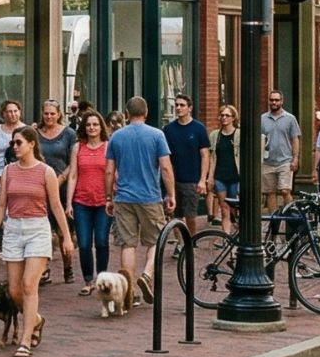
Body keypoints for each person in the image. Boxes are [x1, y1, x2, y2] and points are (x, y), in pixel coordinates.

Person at [0, 126, 74, 357]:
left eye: (18, 143)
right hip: (14, 228)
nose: (14, 147)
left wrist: (66, 237)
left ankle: (25, 340)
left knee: (28, 285)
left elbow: (55, 206)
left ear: (31, 144)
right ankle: (36, 319)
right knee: (14, 290)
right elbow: (2, 204)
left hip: (37, 229)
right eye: (13, 143)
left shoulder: (46, 172)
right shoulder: (8, 171)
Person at [106, 96, 176, 308]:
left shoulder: (116, 137)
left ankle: (130, 293)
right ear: (146, 113)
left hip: (124, 197)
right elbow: (165, 167)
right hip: (149, 196)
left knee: (127, 244)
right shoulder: (157, 135)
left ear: (127, 114)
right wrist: (171, 193)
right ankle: (146, 274)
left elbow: (109, 170)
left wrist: (108, 196)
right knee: (155, 241)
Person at [62, 110, 111, 294]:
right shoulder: (78, 148)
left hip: (102, 201)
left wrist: (111, 198)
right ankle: (89, 280)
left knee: (101, 241)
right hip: (81, 201)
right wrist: (68, 203)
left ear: (101, 127)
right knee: (83, 243)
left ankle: (102, 278)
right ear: (84, 127)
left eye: (95, 125)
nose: (92, 128)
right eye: (89, 125)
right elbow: (73, 175)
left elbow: (113, 174)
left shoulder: (108, 147)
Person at [35, 101, 76, 284]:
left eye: (52, 114)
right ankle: (43, 270)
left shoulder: (68, 134)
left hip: (62, 186)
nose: (49, 117)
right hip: (39, 187)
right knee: (43, 230)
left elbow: (73, 162)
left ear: (59, 114)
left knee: (62, 231)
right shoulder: (35, 133)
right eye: (46, 114)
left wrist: (61, 179)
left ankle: (68, 267)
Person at [161, 95, 212, 238]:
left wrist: (203, 179)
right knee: (174, 214)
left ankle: (192, 240)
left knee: (191, 215)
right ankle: (179, 243)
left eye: (182, 105)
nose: (178, 108)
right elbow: (165, 157)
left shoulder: (198, 129)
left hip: (192, 180)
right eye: (177, 105)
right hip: (173, 178)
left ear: (190, 108)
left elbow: (205, 155)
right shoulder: (168, 130)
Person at [260, 91, 301, 214]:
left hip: (285, 160)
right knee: (270, 192)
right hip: (267, 161)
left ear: (282, 101)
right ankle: (274, 222)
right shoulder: (262, 119)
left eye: (277, 100)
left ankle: (290, 216)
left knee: (285, 190)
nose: (274, 102)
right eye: (272, 100)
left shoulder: (290, 118)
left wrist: (295, 158)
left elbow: (295, 139)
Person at [211, 104, 240, 229]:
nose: (224, 118)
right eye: (222, 115)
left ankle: (238, 229)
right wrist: (210, 177)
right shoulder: (215, 135)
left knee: (234, 207)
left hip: (235, 175)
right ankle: (226, 237)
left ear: (233, 118)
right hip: (220, 176)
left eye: (227, 115)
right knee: (224, 208)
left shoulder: (239, 134)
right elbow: (213, 157)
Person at [0, 99, 24, 176]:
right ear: (3, 114)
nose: (13, 114)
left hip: (18, 174)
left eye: (15, 111)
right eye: (10, 111)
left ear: (20, 112)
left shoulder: (25, 130)